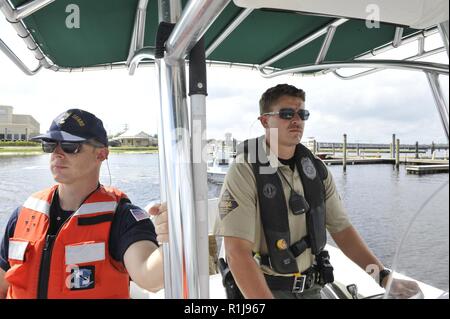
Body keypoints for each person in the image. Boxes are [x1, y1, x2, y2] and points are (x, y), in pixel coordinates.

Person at [214, 84, 420, 299]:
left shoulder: (316, 170)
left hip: (313, 289)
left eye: (302, 114)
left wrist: (383, 277)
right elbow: (236, 252)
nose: (296, 120)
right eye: (286, 114)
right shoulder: (245, 170)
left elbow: (343, 231)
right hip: (266, 290)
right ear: (265, 121)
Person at [0, 109, 168, 299]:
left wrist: (174, 238)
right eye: (50, 144)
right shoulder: (23, 215)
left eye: (70, 146)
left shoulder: (123, 219)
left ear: (102, 154)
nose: (57, 153)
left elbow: (149, 278)